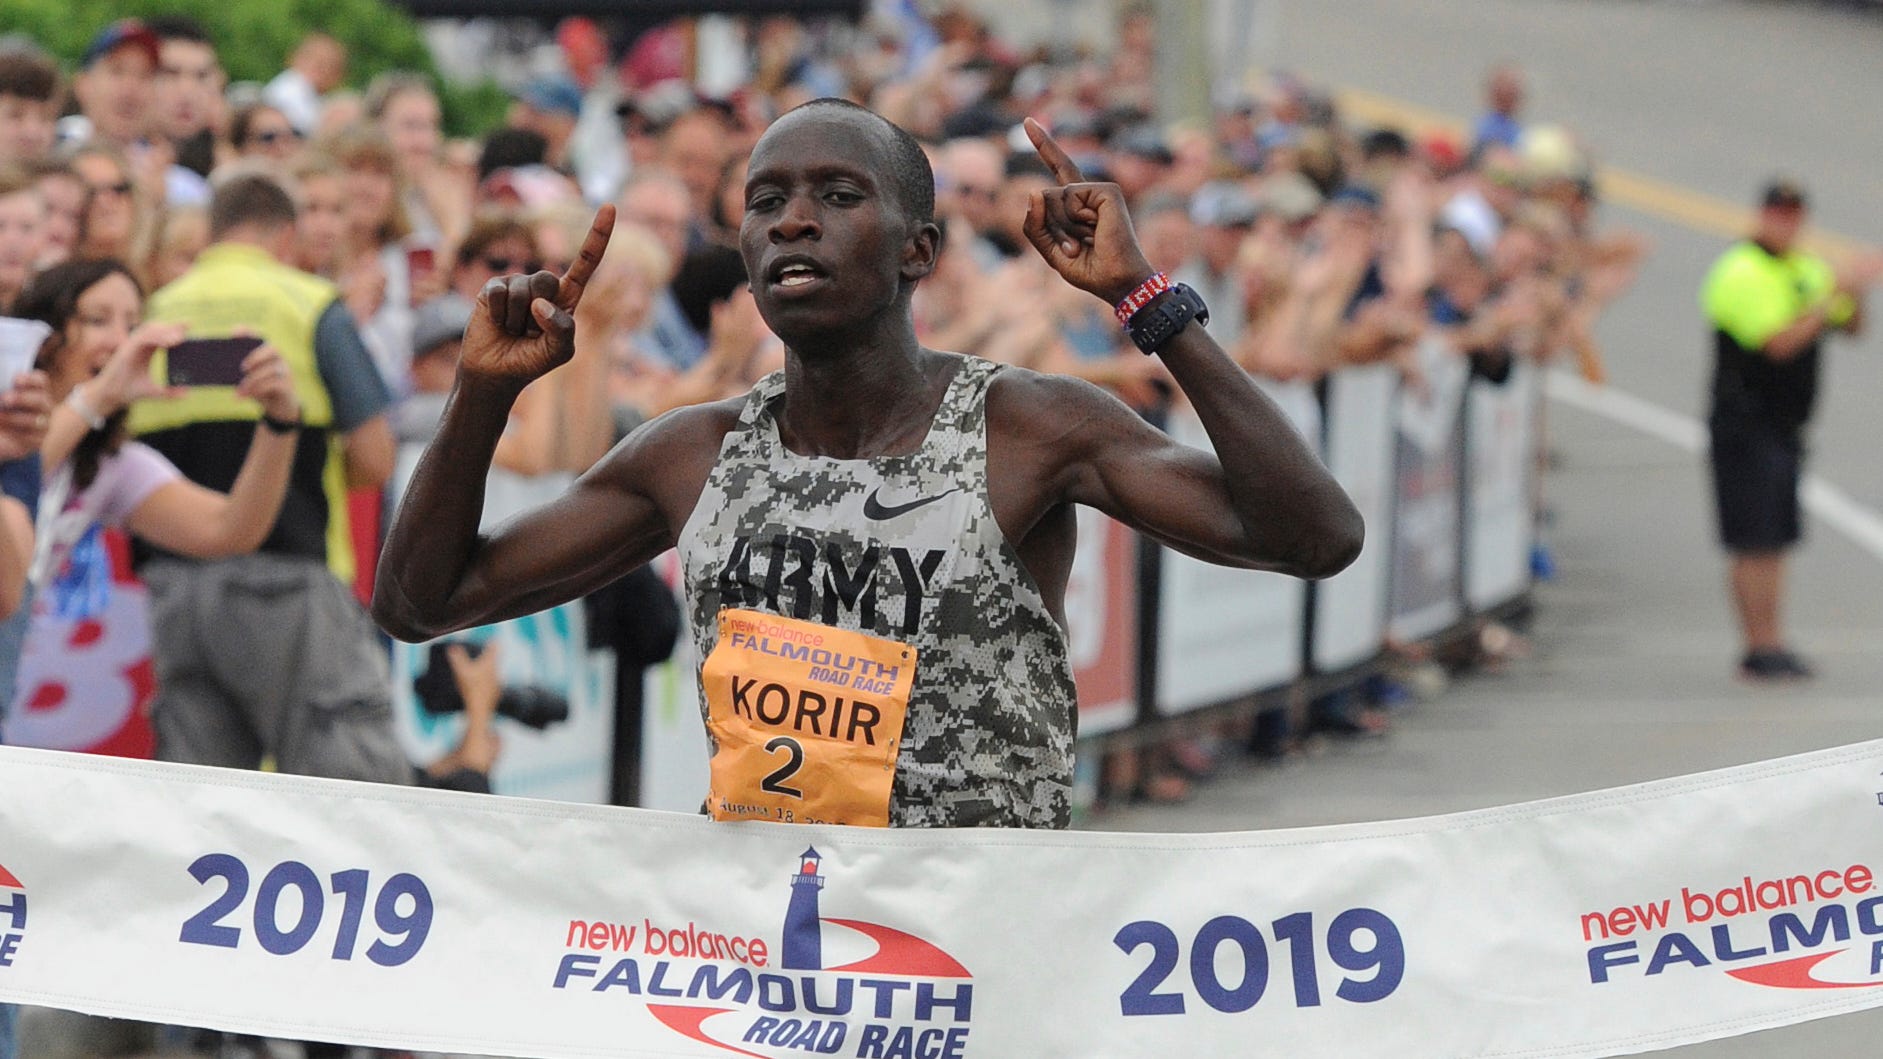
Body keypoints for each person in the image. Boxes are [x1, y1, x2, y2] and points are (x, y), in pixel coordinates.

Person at [376, 100, 1362, 829]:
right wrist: (482, 394)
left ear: (916, 250)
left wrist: (1148, 300)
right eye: (764, 202)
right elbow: (424, 601)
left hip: (974, 942)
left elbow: (1311, 535)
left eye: (837, 196)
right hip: (779, 943)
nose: (791, 222)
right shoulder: (694, 453)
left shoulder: (1026, 427)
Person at [127, 169, 404, 781]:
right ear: (285, 235)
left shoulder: (151, 313)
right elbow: (376, 457)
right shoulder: (309, 304)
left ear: (213, 232)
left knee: (200, 802)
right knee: (349, 790)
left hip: (176, 589)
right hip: (289, 580)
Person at [1699, 179, 1883, 681]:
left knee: (1776, 538)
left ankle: (1772, 640)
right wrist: (1831, 299)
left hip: (1785, 424)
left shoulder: (1807, 268)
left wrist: (1854, 294)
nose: (1786, 223)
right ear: (1762, 215)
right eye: (1778, 214)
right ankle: (1755, 644)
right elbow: (1777, 343)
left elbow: (1851, 328)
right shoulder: (1739, 270)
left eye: (1794, 215)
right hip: (1744, 422)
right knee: (1752, 539)